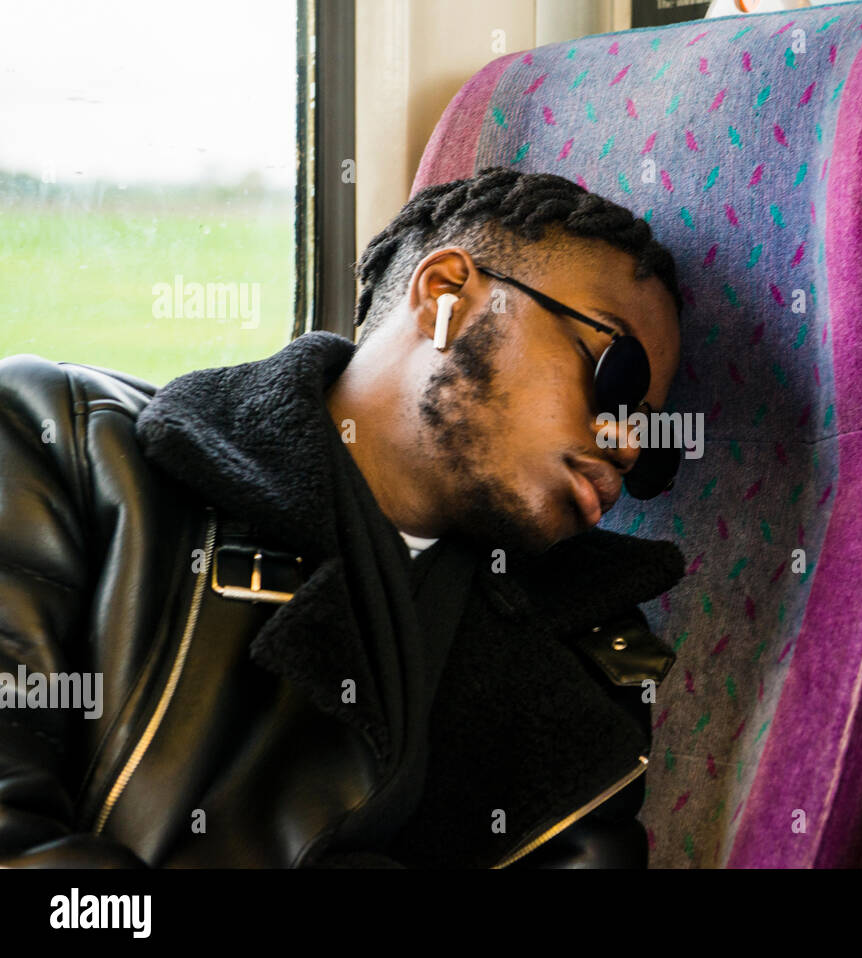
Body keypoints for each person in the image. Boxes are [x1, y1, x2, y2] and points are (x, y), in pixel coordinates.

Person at [0, 166, 687, 868]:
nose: (628, 445)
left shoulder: (590, 665)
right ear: (446, 295)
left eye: (653, 443)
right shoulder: (63, 441)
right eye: (616, 377)